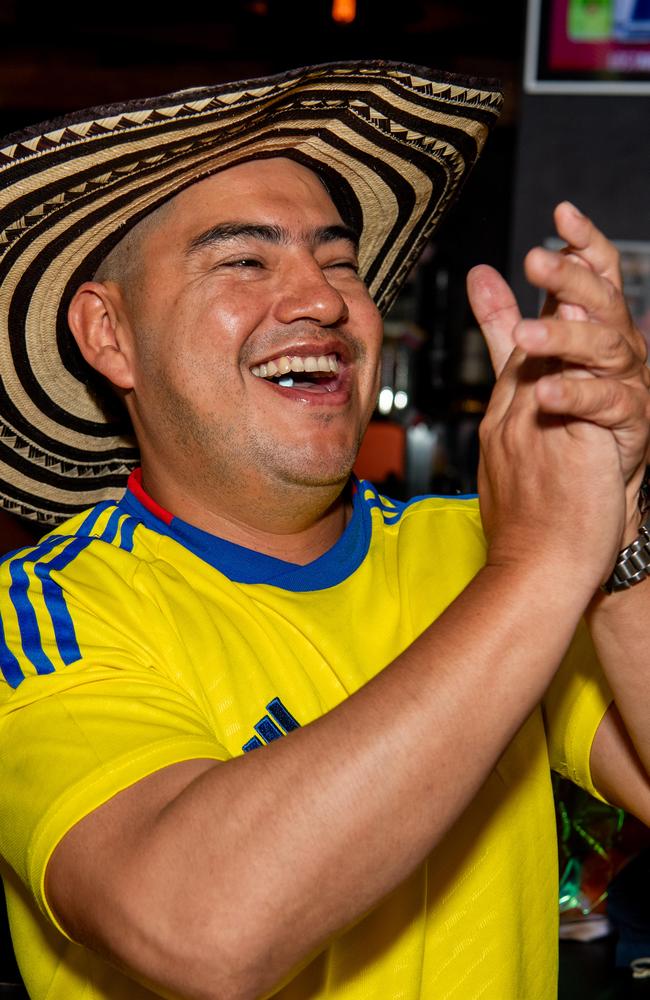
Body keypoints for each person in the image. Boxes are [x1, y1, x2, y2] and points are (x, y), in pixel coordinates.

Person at [0, 61, 648, 1000]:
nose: (322, 301)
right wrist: (546, 561)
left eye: (339, 261)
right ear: (109, 336)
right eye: (245, 259)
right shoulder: (48, 610)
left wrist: (617, 526)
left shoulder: (472, 550)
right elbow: (203, 928)